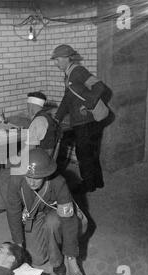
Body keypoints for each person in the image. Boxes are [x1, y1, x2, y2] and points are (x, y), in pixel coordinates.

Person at [6, 148, 85, 275]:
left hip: (56, 214)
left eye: (37, 178)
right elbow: (13, 212)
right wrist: (18, 243)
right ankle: (51, 239)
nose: (31, 182)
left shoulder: (59, 183)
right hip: (35, 214)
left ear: (47, 174)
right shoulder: (15, 180)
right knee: (36, 259)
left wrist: (71, 258)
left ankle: (57, 261)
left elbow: (68, 221)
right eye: (28, 176)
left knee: (52, 223)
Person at [51, 44, 107, 193]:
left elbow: (100, 86)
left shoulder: (78, 72)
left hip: (85, 122)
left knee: (84, 154)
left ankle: (88, 185)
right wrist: (57, 117)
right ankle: (98, 181)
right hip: (85, 122)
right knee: (91, 153)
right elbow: (67, 99)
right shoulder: (69, 74)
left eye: (57, 60)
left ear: (66, 58)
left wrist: (88, 105)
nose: (55, 63)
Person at [26, 91, 59, 156]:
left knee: (7, 160)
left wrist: (20, 154)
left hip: (40, 159)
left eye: (28, 105)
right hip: (47, 156)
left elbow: (31, 148)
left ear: (31, 106)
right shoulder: (45, 116)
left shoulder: (38, 121)